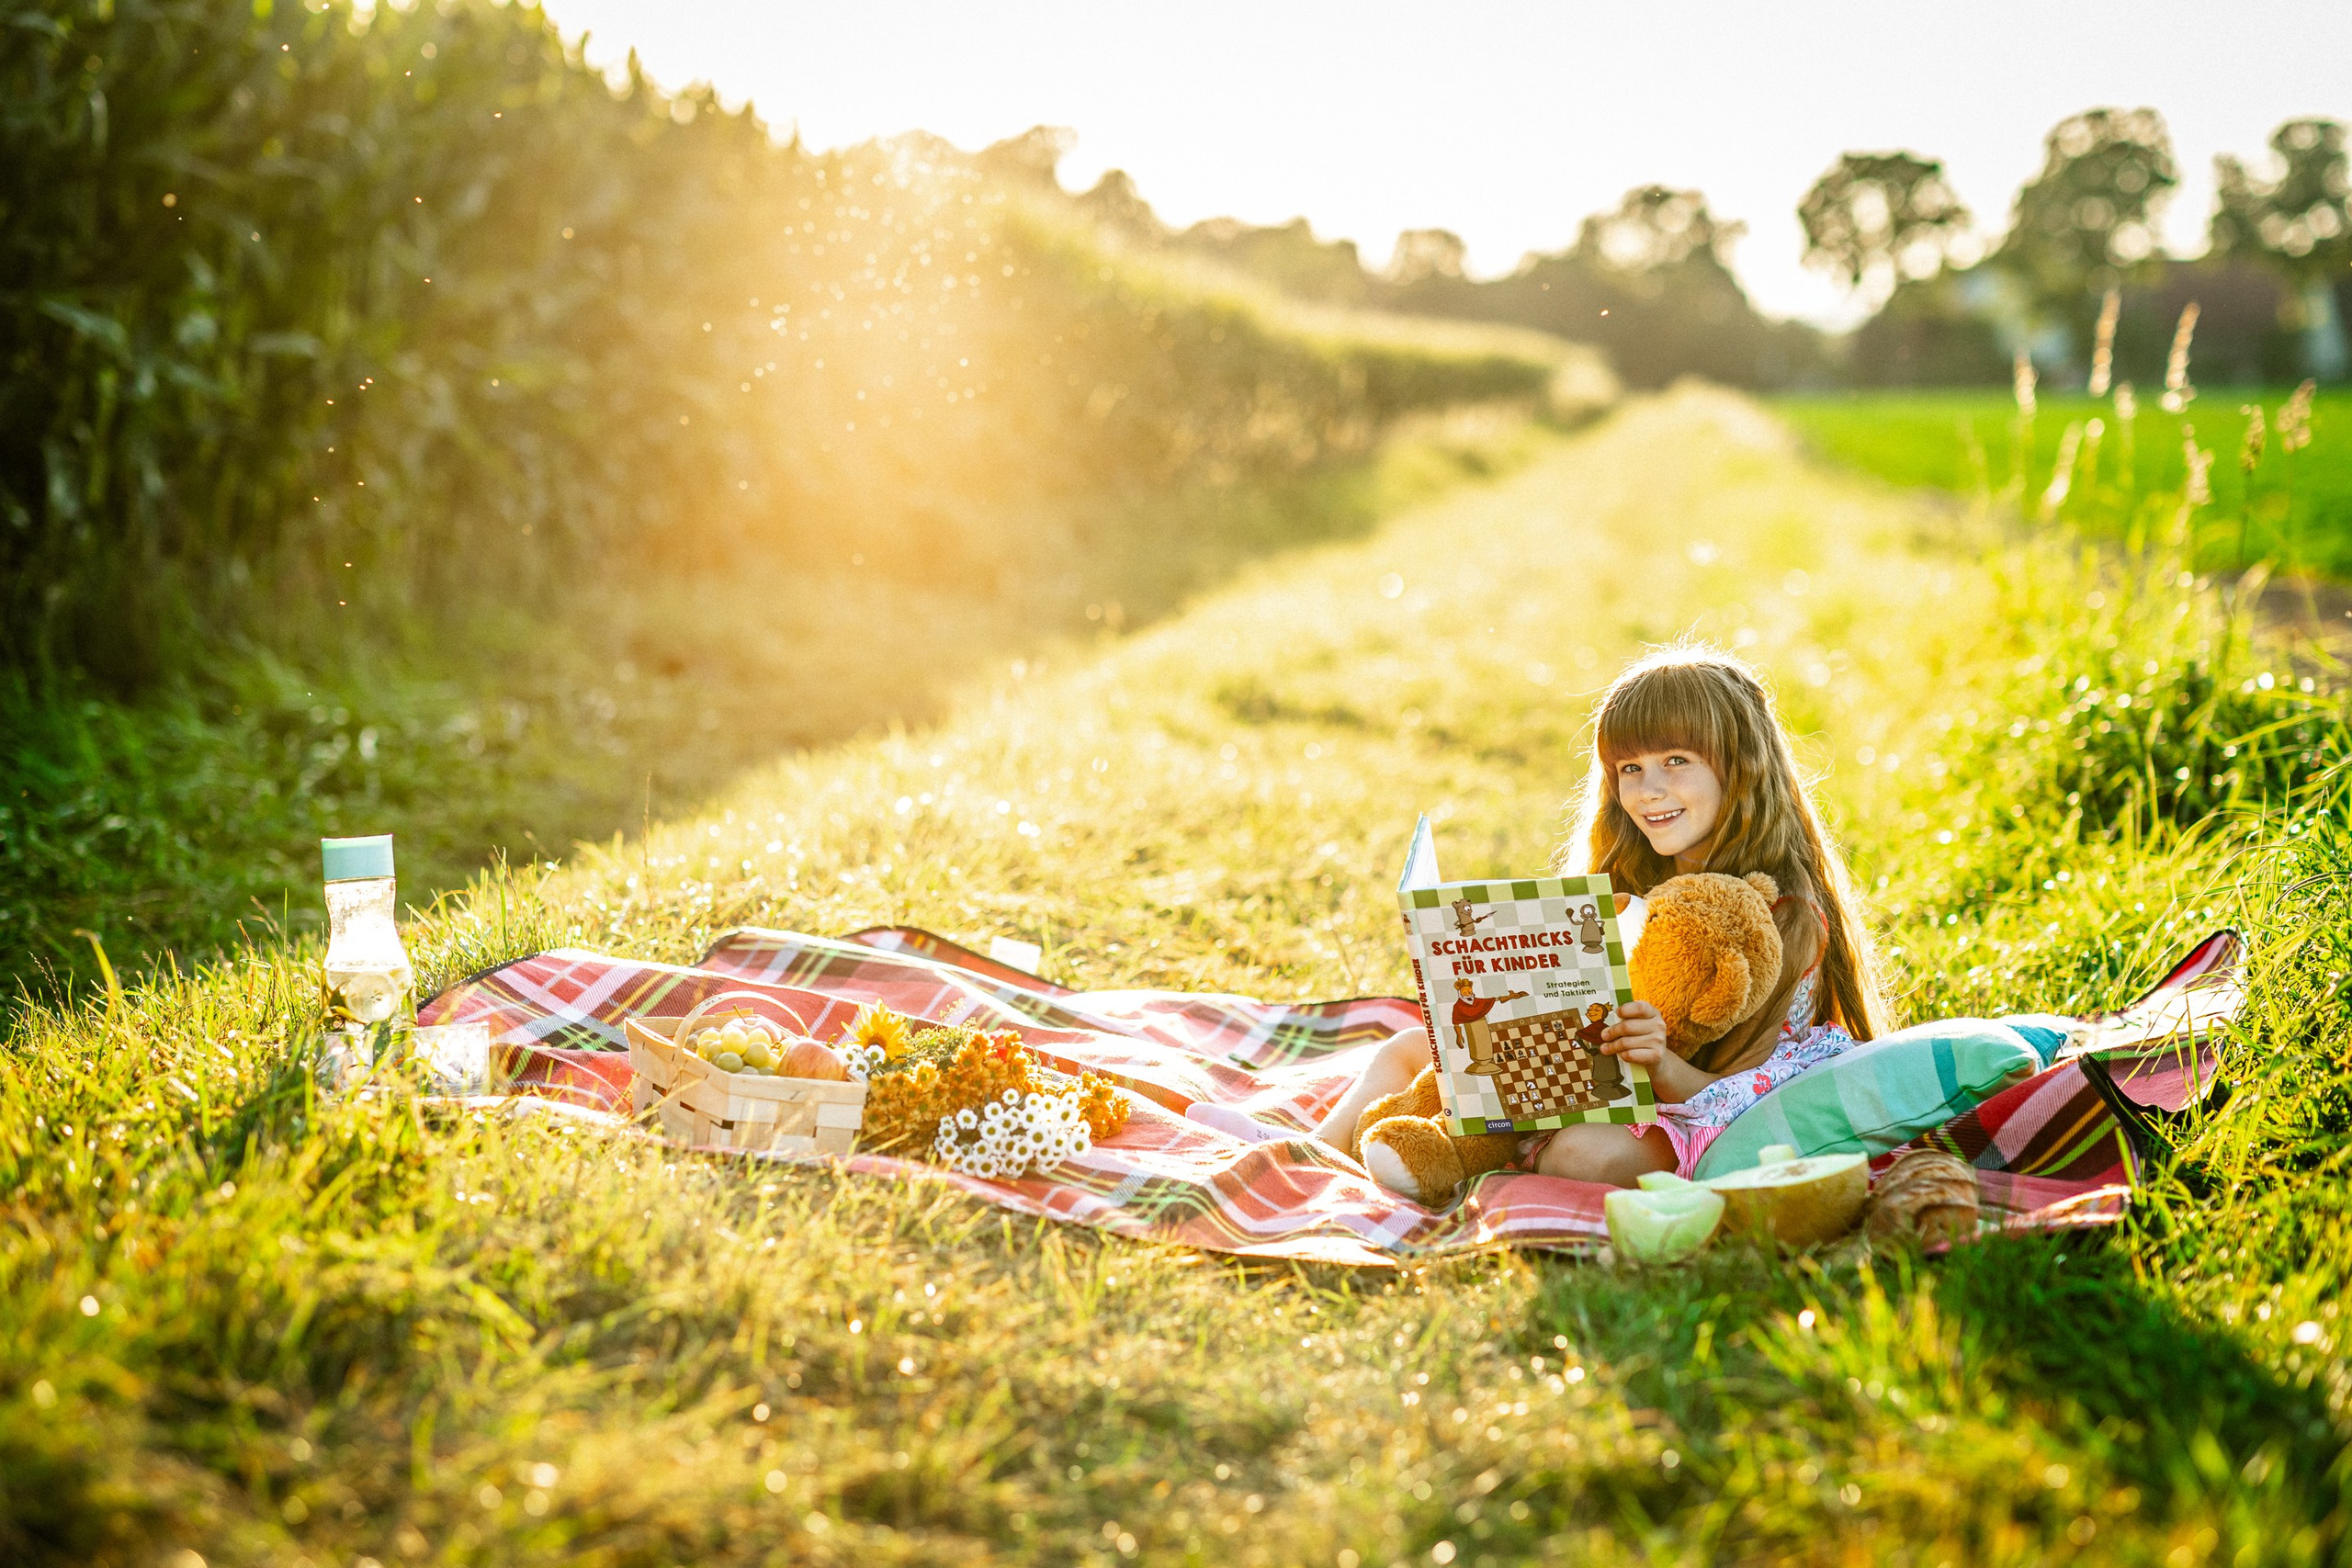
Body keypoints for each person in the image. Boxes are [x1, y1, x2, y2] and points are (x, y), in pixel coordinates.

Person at [1312, 646, 1886, 1184]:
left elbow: (1737, 1091)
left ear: (1742, 766)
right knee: (1407, 1049)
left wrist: (1657, 1062)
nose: (1649, 790)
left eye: (1676, 760)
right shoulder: (1636, 875)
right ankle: (1310, 1158)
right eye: (1629, 768)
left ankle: (1466, 1151)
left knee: (1582, 1152)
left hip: (1709, 1115)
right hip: (1598, 1088)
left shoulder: (1781, 914)